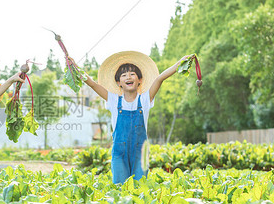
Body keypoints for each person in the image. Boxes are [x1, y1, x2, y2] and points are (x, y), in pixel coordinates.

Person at [80, 51, 192, 184]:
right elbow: (93, 84)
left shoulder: (145, 99)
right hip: (119, 153)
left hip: (141, 153)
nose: (128, 77)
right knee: (120, 188)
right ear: (118, 82)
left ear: (140, 80)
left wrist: (179, 63)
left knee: (140, 188)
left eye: (132, 74)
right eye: (124, 75)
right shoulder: (113, 100)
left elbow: (160, 78)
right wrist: (75, 69)